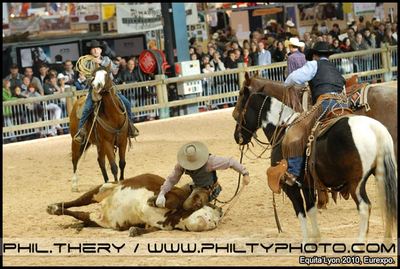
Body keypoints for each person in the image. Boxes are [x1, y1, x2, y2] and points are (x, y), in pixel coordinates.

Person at [281, 41, 347, 186]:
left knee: (297, 131)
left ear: (315, 55)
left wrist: (286, 85)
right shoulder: (334, 67)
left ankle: (294, 173)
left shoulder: (313, 65)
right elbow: (343, 84)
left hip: (324, 103)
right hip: (342, 104)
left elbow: (293, 78)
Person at [74, 40, 139, 144]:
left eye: (97, 48)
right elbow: (87, 78)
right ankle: (81, 131)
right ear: (91, 51)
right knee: (86, 108)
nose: (96, 50)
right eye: (93, 49)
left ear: (100, 50)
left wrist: (104, 63)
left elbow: (115, 71)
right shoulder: (87, 63)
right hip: (95, 90)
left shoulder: (106, 59)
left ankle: (130, 126)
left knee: (126, 102)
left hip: (110, 88)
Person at [153, 141, 250, 210]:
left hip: (209, 189)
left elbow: (231, 162)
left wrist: (245, 173)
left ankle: (212, 209)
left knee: (188, 206)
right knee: (177, 196)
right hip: (194, 185)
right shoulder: (181, 165)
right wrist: (162, 193)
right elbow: (172, 180)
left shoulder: (210, 161)